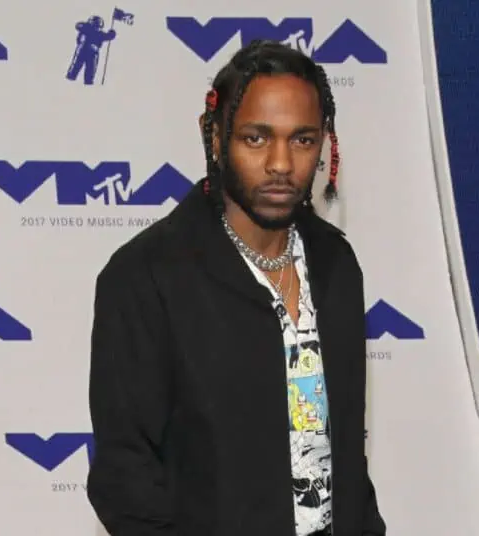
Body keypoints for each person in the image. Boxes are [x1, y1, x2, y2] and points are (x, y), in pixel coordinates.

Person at [86, 39, 386, 536]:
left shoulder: (336, 265)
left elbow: (346, 451)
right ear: (215, 137)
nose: (281, 164)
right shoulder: (146, 277)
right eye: (256, 138)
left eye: (302, 140)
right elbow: (125, 478)